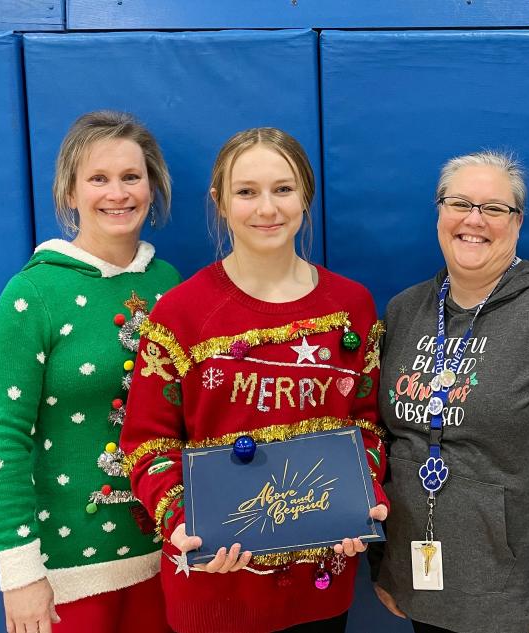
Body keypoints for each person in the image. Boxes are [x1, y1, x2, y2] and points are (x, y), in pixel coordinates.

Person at [120, 127, 388, 633]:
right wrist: (183, 523)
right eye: (247, 192)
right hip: (215, 585)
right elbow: (147, 442)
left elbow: (367, 429)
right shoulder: (181, 313)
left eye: (283, 189)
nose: (267, 208)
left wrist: (362, 499)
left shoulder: (352, 307)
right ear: (220, 203)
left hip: (320, 586)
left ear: (305, 195)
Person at [371, 151, 529, 633]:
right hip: (419, 588)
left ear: (518, 222)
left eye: (494, 208)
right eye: (459, 203)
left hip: (518, 607)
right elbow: (388, 446)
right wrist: (384, 564)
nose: (473, 220)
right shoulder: (405, 312)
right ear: (439, 211)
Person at [0, 110, 180, 633]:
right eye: (98, 179)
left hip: (170, 556)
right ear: (69, 192)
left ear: (153, 187)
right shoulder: (33, 296)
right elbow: (4, 442)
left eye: (131, 177)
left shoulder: (169, 285)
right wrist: (20, 575)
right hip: (67, 572)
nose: (118, 193)